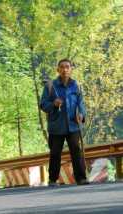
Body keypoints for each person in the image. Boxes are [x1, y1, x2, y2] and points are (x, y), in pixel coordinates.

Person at [40, 58, 89, 186]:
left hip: (73, 125)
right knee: (55, 153)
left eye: (67, 67)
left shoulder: (76, 85)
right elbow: (43, 104)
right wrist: (53, 104)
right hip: (56, 125)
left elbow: (81, 103)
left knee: (76, 151)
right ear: (58, 69)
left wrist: (81, 114)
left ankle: (81, 178)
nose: (65, 69)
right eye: (62, 67)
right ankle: (52, 179)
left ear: (71, 69)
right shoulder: (50, 86)